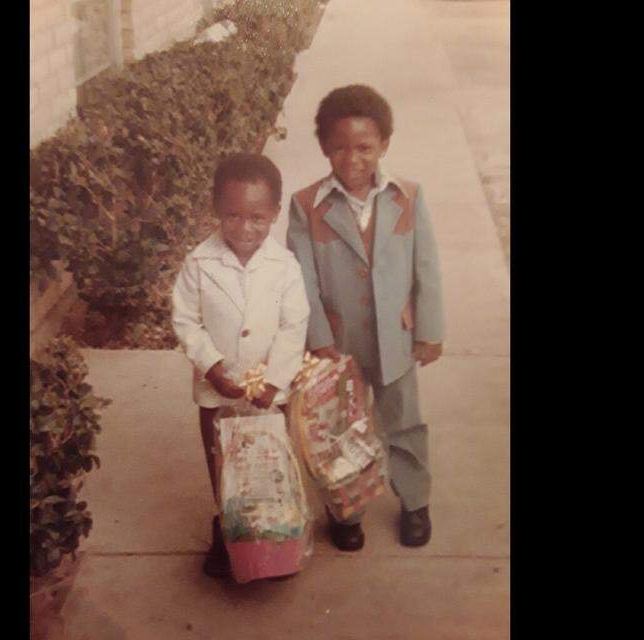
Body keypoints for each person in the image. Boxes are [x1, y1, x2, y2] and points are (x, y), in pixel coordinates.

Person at [286, 84, 445, 550]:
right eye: (339, 146)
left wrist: (430, 330)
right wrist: (318, 340)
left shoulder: (407, 197)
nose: (352, 157)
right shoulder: (306, 206)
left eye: (365, 147)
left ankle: (415, 502)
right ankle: (346, 508)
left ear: (384, 146)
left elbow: (427, 268)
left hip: (396, 338)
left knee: (404, 422)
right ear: (323, 148)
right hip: (338, 345)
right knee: (340, 431)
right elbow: (304, 280)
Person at [171, 153, 310, 577]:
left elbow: (294, 324)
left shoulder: (284, 266)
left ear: (274, 213)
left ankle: (273, 541)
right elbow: (186, 320)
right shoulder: (199, 263)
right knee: (223, 466)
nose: (245, 228)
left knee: (267, 467)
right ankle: (229, 533)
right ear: (216, 208)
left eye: (257, 218)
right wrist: (213, 368)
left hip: (269, 393)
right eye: (232, 215)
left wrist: (274, 381)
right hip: (218, 393)